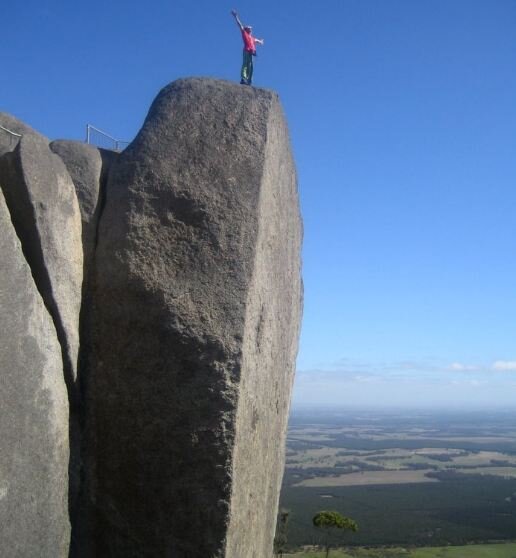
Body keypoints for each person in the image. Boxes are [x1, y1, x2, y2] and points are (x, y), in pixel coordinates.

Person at [231, 10, 264, 85]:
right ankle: (243, 78)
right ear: (246, 29)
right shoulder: (244, 33)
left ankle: (249, 80)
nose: (251, 29)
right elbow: (240, 25)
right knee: (245, 64)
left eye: (251, 29)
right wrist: (236, 16)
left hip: (252, 52)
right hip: (246, 51)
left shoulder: (252, 38)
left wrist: (261, 41)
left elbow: (257, 41)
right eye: (249, 28)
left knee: (251, 66)